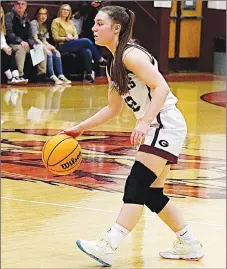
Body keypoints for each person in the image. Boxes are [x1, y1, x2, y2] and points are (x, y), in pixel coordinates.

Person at [62, 6, 204, 267]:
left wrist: (146, 120)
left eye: (99, 23)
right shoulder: (113, 63)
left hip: (164, 122)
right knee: (151, 194)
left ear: (116, 28)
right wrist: (80, 128)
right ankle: (189, 243)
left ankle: (108, 245)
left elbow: (162, 87)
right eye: (94, 23)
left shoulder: (131, 55)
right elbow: (112, 108)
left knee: (136, 184)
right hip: (158, 124)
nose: (93, 28)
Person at [51, 4, 107, 83]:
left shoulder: (70, 22)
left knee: (87, 51)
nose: (65, 11)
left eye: (67, 10)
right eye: (64, 9)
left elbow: (76, 35)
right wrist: (65, 38)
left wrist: (73, 38)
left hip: (72, 43)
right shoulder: (56, 21)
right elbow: (55, 37)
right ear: (60, 10)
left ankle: (88, 74)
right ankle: (99, 59)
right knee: (86, 41)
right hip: (62, 45)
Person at [5, 0, 50, 82]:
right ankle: (19, 75)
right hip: (12, 43)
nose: (20, 6)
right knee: (21, 48)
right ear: (15, 5)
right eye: (18, 4)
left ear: (26, 6)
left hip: (26, 44)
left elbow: (30, 36)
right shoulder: (9, 15)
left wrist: (33, 44)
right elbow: (9, 33)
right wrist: (20, 41)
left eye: (22, 4)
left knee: (40, 48)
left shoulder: (26, 19)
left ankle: (41, 74)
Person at [31, 7, 71, 85]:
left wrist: (51, 47)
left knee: (56, 52)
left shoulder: (44, 25)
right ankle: (52, 76)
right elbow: (36, 39)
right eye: (41, 14)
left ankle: (60, 75)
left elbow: (44, 41)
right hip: (33, 44)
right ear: (37, 15)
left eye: (45, 14)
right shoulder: (34, 23)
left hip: (40, 44)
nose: (43, 16)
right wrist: (46, 48)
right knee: (48, 52)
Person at [1, 6, 28, 84]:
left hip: (2, 47)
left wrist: (6, 47)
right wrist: (3, 48)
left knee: (10, 51)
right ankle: (10, 78)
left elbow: (2, 41)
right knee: (3, 54)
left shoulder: (1, 26)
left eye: (0, 12)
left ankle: (16, 77)